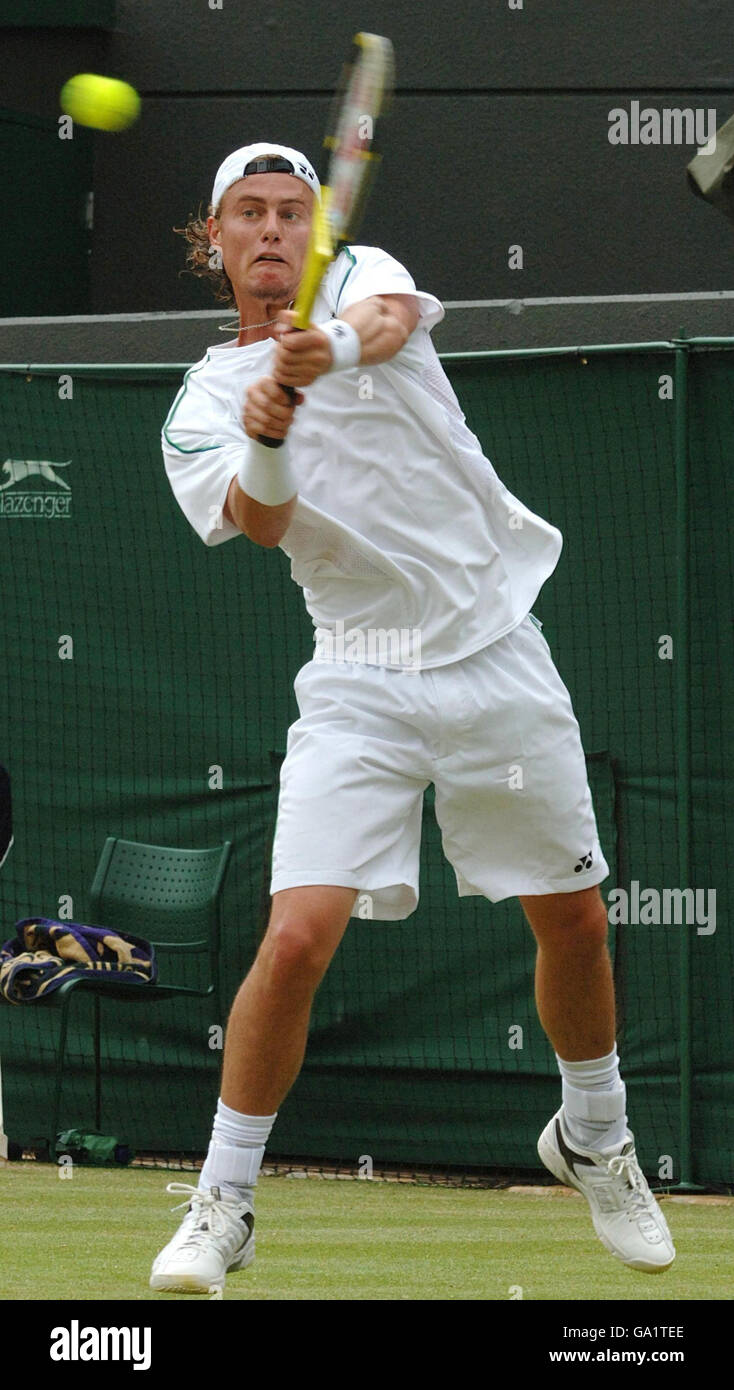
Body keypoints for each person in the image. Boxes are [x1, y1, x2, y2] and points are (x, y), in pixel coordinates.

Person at [153, 142, 675, 1294]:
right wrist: (274, 419)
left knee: (576, 924)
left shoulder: (354, 280)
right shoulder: (198, 404)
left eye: (295, 210)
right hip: (359, 672)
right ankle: (222, 1200)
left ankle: (594, 1130)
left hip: (495, 649)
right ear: (216, 240)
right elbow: (261, 519)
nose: (277, 229)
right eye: (251, 213)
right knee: (295, 936)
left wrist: (323, 350)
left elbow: (388, 322)